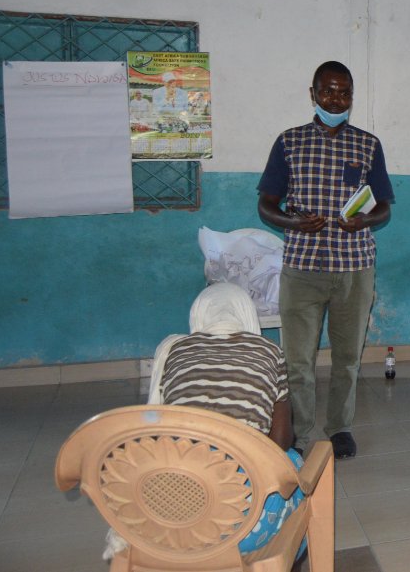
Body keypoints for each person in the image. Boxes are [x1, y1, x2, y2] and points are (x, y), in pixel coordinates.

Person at [257, 60, 393, 459]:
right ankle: (299, 434)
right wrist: (292, 221)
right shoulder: (289, 142)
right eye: (329, 91)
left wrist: (366, 219)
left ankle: (340, 428)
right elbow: (266, 205)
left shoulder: (368, 145)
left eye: (344, 92)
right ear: (313, 94)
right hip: (302, 268)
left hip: (354, 269)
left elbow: (384, 207)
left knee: (347, 358)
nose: (336, 99)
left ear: (352, 97)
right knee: (298, 361)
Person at [143, 282, 304, 557]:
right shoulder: (268, 351)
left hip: (169, 525)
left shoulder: (174, 352)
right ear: (247, 316)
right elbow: (280, 442)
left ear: (197, 315)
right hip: (245, 529)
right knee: (295, 463)